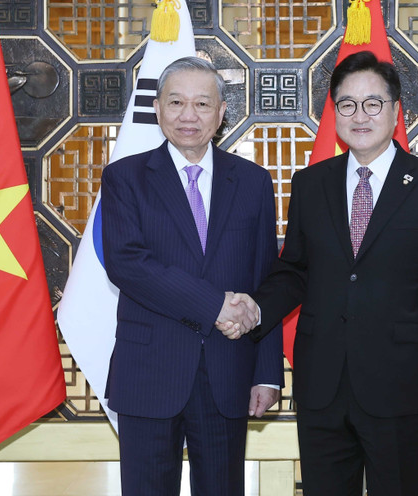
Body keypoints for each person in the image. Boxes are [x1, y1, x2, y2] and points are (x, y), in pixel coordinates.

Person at [218, 51, 418, 495]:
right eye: (348, 104)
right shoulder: (310, 183)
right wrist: (255, 309)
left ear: (396, 110)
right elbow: (295, 270)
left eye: (373, 103)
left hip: (402, 387)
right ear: (334, 112)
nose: (360, 115)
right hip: (323, 385)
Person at [101, 56, 283, 496]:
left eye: (202, 104)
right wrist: (214, 305)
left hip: (228, 369)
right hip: (149, 371)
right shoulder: (124, 177)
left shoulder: (253, 181)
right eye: (176, 102)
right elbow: (127, 263)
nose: (189, 115)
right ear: (157, 109)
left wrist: (266, 373)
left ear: (221, 114)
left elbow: (266, 277)